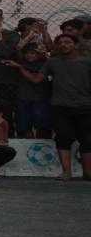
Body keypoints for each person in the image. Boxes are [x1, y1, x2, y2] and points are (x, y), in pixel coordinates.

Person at [25, 33, 91, 181]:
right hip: (60, 107)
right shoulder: (52, 62)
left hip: (85, 107)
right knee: (63, 139)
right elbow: (37, 79)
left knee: (87, 140)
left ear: (75, 45)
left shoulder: (87, 62)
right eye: (60, 43)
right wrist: (20, 68)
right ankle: (66, 172)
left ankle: (88, 172)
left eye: (67, 42)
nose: (64, 45)